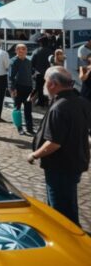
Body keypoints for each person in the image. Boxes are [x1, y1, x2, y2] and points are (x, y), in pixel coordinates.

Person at [28, 66, 91, 227]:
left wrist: (34, 155)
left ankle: (71, 244)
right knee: (68, 204)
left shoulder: (60, 107)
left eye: (45, 81)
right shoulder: (81, 102)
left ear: (53, 84)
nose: (44, 85)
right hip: (75, 161)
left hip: (61, 165)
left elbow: (54, 143)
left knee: (61, 213)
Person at [9, 44, 35, 136]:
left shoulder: (28, 61)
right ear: (16, 51)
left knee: (28, 109)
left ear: (26, 50)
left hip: (28, 88)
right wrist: (12, 89)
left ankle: (30, 128)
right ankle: (19, 128)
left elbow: (30, 76)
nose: (21, 51)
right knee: (17, 109)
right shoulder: (13, 61)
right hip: (18, 88)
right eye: (19, 49)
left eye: (23, 49)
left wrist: (32, 89)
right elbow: (11, 77)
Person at [31, 36, 54, 107]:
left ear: (40, 43)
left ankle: (41, 102)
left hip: (39, 73)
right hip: (49, 73)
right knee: (48, 87)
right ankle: (46, 101)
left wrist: (33, 71)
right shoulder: (51, 51)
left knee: (40, 88)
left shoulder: (36, 51)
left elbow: (32, 63)